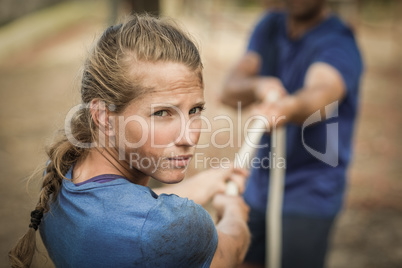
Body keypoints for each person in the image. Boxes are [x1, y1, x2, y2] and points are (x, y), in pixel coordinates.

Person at [9, 14, 250, 268]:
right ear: (103, 116)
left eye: (195, 110)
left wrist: (203, 184)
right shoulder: (176, 228)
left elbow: (129, 213)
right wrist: (234, 212)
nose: (189, 137)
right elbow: (230, 250)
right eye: (161, 113)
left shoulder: (61, 170)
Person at [221, 0, 363, 267]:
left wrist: (285, 108)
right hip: (258, 184)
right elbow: (229, 90)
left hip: (310, 190)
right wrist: (257, 86)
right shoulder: (270, 26)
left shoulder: (339, 42)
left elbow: (322, 92)